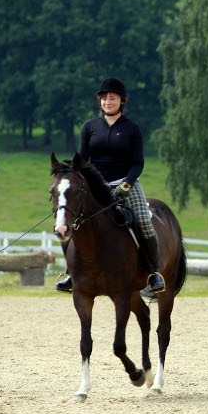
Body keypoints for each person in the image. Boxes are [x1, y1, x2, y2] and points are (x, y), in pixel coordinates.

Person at [55, 77, 166, 294]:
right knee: (69, 221)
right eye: (104, 98)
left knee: (143, 220)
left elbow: (138, 163)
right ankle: (71, 273)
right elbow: (83, 160)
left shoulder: (132, 128)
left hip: (125, 183)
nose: (107, 102)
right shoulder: (89, 127)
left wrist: (127, 184)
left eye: (112, 98)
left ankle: (153, 273)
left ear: (122, 101)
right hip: (95, 185)